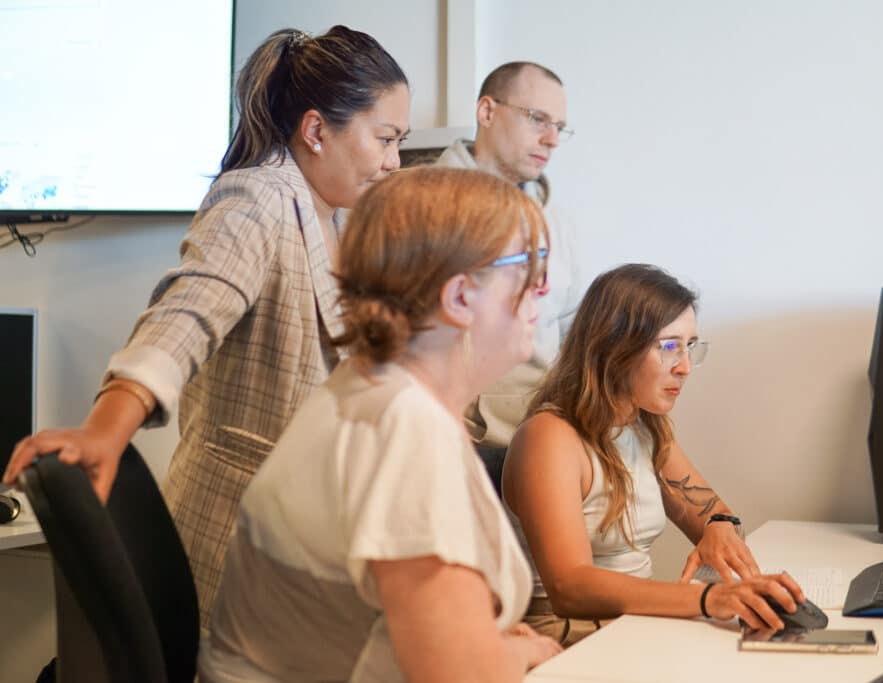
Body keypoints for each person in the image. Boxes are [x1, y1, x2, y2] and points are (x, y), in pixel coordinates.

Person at [3, 25, 410, 627]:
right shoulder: (260, 197)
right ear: (317, 130)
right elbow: (188, 310)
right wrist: (107, 427)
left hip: (304, 540)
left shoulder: (333, 218)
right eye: (385, 138)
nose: (393, 161)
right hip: (235, 549)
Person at [198, 166, 561, 683]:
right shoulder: (406, 428)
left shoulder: (367, 388)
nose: (543, 289)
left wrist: (489, 642)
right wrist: (517, 655)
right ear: (458, 298)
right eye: (527, 266)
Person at [502, 264, 806, 646]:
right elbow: (570, 586)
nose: (685, 367)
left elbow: (714, 512)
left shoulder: (644, 428)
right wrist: (709, 599)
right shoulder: (549, 438)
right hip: (565, 638)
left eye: (690, 346)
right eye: (668, 347)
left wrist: (719, 528)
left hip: (630, 626)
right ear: (614, 347)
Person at [434, 61, 581, 488]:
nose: (551, 139)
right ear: (487, 111)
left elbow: (571, 329)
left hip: (542, 442)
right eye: (537, 118)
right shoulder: (421, 205)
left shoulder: (559, 221)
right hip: (453, 447)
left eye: (559, 126)